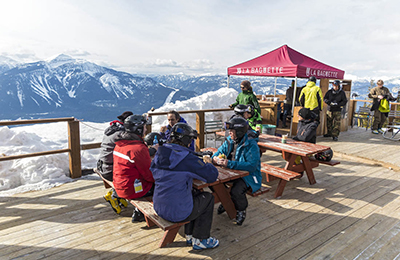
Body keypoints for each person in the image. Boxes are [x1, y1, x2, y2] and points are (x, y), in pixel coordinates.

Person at [151, 123, 220, 250]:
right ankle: (201, 240)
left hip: (159, 207)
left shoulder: (160, 154)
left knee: (194, 194)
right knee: (207, 198)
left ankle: (189, 235)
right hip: (177, 212)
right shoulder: (187, 159)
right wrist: (208, 163)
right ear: (186, 140)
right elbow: (211, 176)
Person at [212, 117, 262, 226]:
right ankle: (227, 201)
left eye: (232, 131)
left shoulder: (251, 145)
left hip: (249, 175)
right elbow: (218, 152)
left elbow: (252, 166)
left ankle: (241, 210)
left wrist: (229, 163)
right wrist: (215, 158)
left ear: (239, 132)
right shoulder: (230, 141)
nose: (229, 133)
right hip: (231, 173)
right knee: (213, 182)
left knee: (236, 191)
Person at [113, 114, 155, 222]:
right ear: (139, 129)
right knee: (163, 185)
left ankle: (139, 212)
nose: (146, 129)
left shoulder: (120, 144)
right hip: (131, 190)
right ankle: (150, 213)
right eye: (145, 127)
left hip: (119, 186)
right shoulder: (138, 148)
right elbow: (149, 176)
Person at [97, 111, 132, 213]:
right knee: (133, 174)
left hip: (102, 166)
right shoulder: (121, 134)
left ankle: (119, 196)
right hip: (109, 170)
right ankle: (114, 195)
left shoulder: (113, 129)